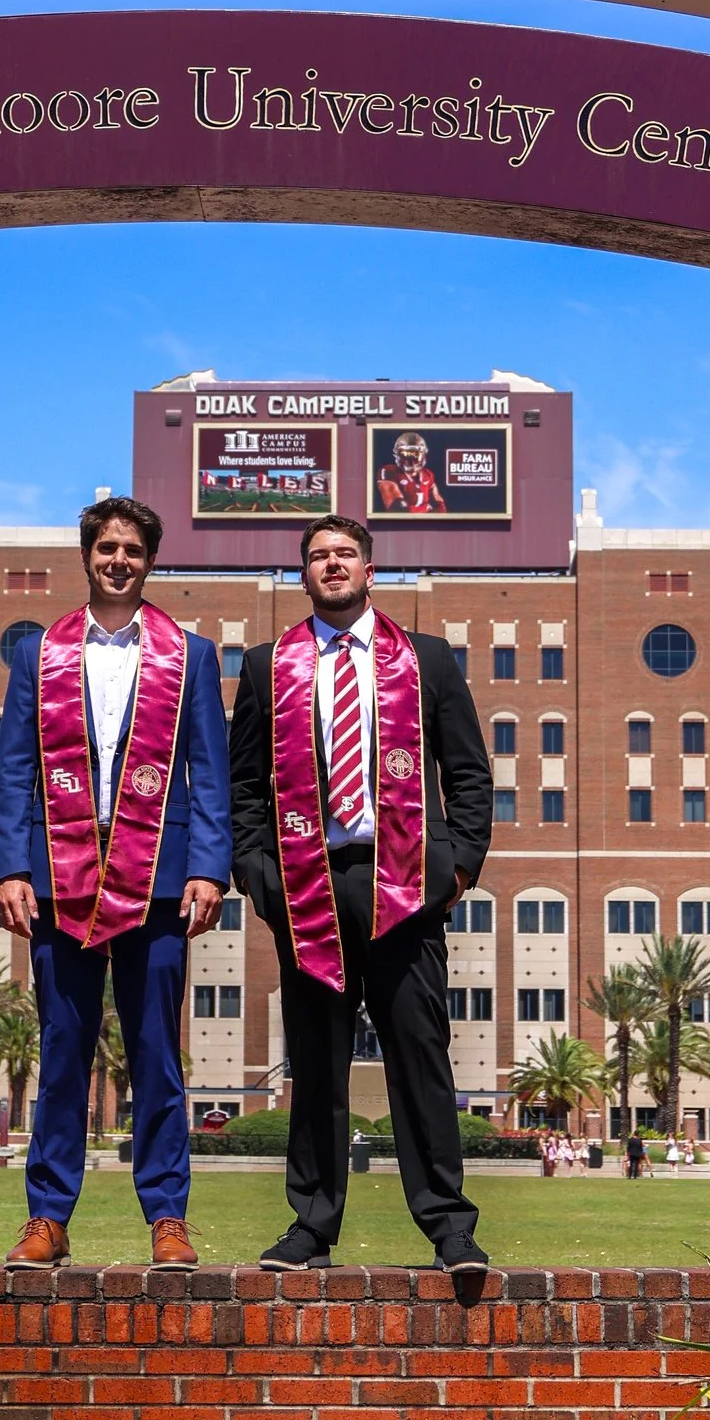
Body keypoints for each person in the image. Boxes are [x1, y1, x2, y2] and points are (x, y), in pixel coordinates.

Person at [229, 513, 495, 1272]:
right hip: (309, 881)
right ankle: (311, 1226)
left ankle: (449, 1226)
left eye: (346, 554)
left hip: (406, 882)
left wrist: (462, 867)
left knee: (420, 1051)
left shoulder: (428, 660)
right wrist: (260, 877)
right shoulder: (264, 666)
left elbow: (470, 773)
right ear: (301, 574)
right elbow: (245, 788)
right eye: (318, 557)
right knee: (316, 1060)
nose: (333, 566)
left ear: (370, 570)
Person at [0, 493, 230, 1267]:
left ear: (150, 561)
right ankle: (47, 1218)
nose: (118, 560)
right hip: (58, 878)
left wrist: (209, 870)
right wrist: (9, 867)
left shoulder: (189, 654)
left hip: (158, 880)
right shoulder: (40, 653)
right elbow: (15, 769)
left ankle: (168, 1217)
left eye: (133, 549)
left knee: (157, 1053)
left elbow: (210, 773)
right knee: (63, 1049)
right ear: (86, 556)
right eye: (106, 548)